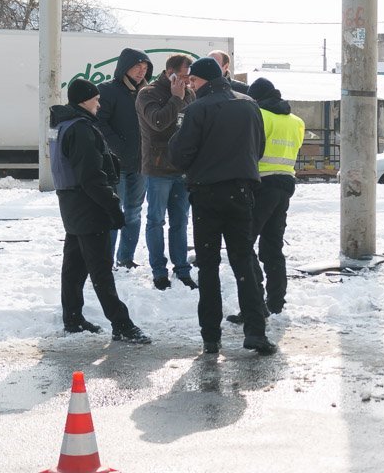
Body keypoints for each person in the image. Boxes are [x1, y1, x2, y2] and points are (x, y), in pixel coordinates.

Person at [167, 57, 276, 356]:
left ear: (203, 80)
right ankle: (255, 331)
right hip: (241, 194)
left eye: (193, 80)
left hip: (206, 197)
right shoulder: (249, 105)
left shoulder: (196, 110)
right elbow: (259, 148)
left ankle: (211, 337)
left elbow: (180, 155)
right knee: (244, 262)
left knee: (209, 266)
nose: (190, 84)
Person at [49, 79, 151, 344]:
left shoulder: (64, 125)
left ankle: (73, 318)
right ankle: (122, 324)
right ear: (84, 100)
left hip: (71, 205)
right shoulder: (81, 129)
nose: (99, 103)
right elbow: (92, 177)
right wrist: (112, 206)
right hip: (88, 205)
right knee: (101, 269)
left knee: (74, 265)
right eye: (95, 98)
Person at [226, 78, 305, 325]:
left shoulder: (258, 115)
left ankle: (255, 303)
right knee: (273, 246)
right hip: (285, 185)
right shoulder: (296, 121)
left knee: (244, 243)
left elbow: (250, 149)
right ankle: (276, 302)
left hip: (260, 185)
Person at [136, 53, 198, 291]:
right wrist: (175, 98)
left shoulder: (189, 94)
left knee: (180, 221)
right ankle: (159, 271)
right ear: (170, 72)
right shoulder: (148, 93)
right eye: (183, 75)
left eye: (189, 77)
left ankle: (182, 269)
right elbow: (158, 123)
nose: (187, 81)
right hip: (158, 168)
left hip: (182, 169)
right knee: (155, 220)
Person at [96, 47, 152, 269]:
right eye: (137, 66)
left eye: (145, 68)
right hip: (114, 165)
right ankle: (106, 260)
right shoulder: (107, 90)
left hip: (140, 165)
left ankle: (126, 258)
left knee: (134, 213)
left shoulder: (147, 93)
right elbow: (99, 122)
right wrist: (117, 147)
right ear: (124, 67)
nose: (141, 71)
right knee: (112, 213)